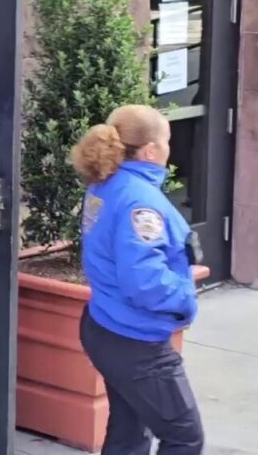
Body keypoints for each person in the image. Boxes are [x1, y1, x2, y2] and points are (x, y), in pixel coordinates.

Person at [71, 104, 204, 455]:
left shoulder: (108, 182)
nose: (170, 148)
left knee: (129, 431)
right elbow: (144, 281)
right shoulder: (139, 202)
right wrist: (185, 300)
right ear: (150, 151)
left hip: (107, 327)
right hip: (136, 342)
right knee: (185, 437)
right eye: (168, 141)